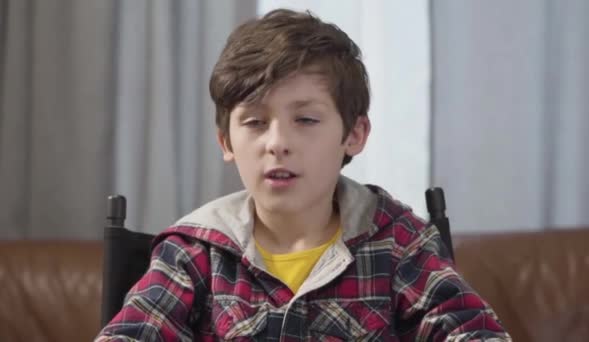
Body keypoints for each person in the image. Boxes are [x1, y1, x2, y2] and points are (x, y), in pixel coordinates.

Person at [97, 8, 510, 341]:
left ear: (354, 134)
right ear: (225, 142)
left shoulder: (398, 243)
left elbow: (474, 334)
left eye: (306, 120)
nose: (277, 143)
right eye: (255, 122)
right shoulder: (194, 253)